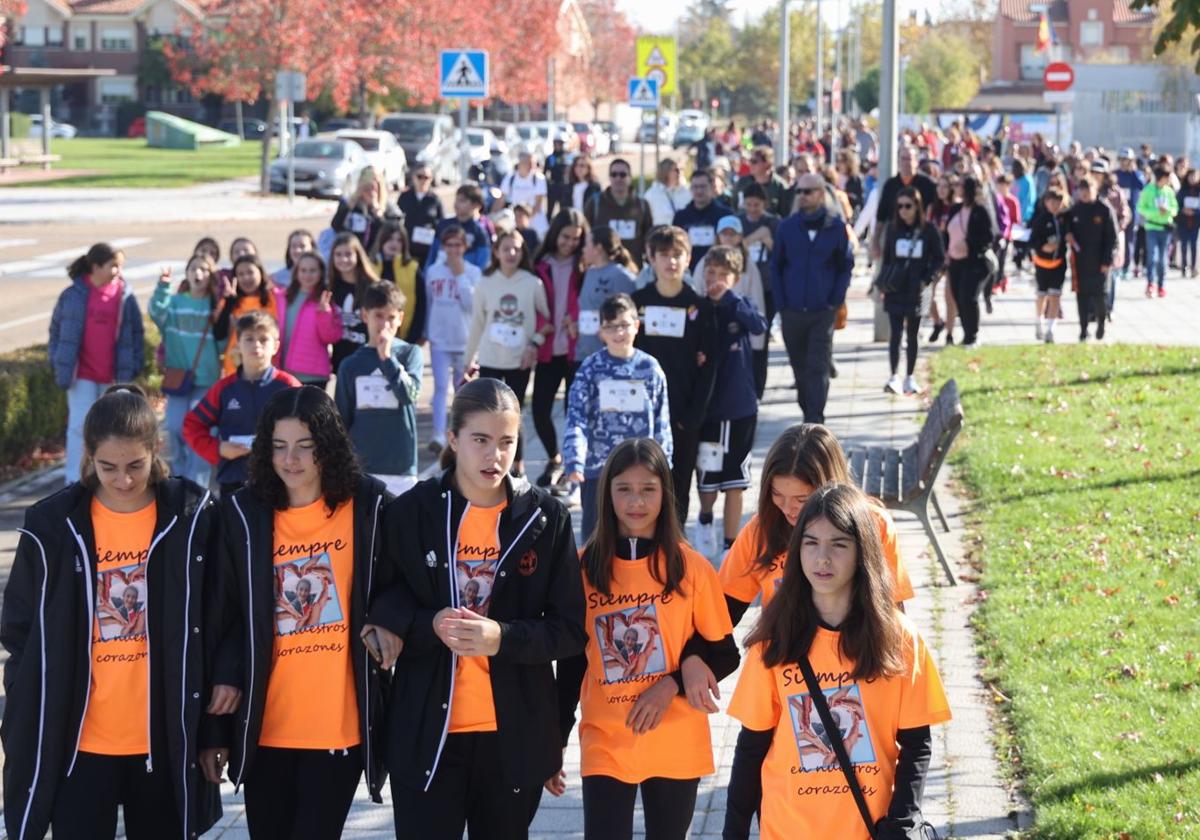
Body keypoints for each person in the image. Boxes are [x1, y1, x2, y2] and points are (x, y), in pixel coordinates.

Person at [365, 377, 587, 840]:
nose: (494, 456)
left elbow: (569, 632)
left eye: (506, 442)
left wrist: (502, 638)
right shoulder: (411, 513)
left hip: (511, 738)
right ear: (453, 439)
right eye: (480, 440)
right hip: (427, 734)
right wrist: (427, 623)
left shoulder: (546, 519)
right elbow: (382, 598)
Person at [1, 385, 224, 839]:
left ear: (156, 448)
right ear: (88, 456)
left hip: (164, 742)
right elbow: (20, 628)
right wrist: (29, 703)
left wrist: (213, 730)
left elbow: (220, 622)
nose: (123, 480)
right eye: (108, 468)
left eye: (135, 466)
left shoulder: (192, 516)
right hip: (78, 745)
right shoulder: (52, 525)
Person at [200, 386, 399, 838]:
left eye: (305, 448)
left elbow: (399, 586)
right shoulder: (242, 515)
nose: (291, 460)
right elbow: (223, 618)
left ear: (328, 446)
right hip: (265, 725)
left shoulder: (369, 505)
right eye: (279, 447)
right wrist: (215, 728)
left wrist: (386, 619)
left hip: (338, 725)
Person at [726, 483, 951, 840]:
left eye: (839, 544)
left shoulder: (902, 640)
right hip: (786, 829)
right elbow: (750, 748)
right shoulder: (772, 643)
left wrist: (902, 821)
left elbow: (917, 744)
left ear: (863, 552)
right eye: (811, 543)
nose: (822, 559)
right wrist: (733, 833)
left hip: (868, 829)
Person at [553, 438, 738, 840]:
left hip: (675, 739)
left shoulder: (691, 568)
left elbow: (725, 653)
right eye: (624, 489)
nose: (636, 501)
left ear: (665, 494)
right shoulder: (582, 568)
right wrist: (554, 743)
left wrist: (673, 681)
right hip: (606, 739)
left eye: (648, 489)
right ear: (607, 494)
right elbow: (571, 663)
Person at [562, 293, 672, 540]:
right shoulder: (590, 369)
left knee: (640, 532)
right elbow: (576, 417)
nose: (618, 332)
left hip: (640, 468)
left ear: (636, 325)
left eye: (623, 325)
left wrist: (664, 464)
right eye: (610, 327)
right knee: (595, 536)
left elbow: (661, 421)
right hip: (597, 469)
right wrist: (574, 460)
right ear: (601, 332)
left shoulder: (650, 369)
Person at [632, 226, 716, 527]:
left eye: (677, 255)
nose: (671, 262)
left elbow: (709, 367)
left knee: (678, 488)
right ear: (651, 259)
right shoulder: (637, 302)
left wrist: (694, 415)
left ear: (688, 258)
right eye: (664, 255)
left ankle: (676, 550)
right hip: (641, 414)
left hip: (683, 413)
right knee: (641, 483)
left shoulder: (700, 307)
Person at [691, 246, 766, 557]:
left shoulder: (740, 305)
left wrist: (732, 300)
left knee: (735, 480)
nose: (716, 280)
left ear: (735, 279)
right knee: (708, 478)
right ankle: (706, 519)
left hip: (740, 409)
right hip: (708, 411)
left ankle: (730, 545)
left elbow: (759, 325)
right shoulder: (696, 308)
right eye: (711, 273)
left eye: (723, 275)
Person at [50, 243, 143, 487]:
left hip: (113, 376)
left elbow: (136, 332)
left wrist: (133, 366)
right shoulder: (74, 295)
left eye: (120, 266)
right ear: (96, 266)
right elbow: (56, 330)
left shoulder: (124, 295)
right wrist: (58, 360)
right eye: (113, 266)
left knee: (110, 429)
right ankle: (74, 479)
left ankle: (103, 477)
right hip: (81, 374)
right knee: (79, 427)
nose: (118, 271)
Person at [185, 310, 300, 496]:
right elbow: (192, 425)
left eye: (263, 339)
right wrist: (218, 449)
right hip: (234, 479)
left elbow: (309, 427)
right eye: (249, 339)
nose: (256, 345)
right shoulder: (223, 389)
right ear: (237, 344)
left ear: (276, 346)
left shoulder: (289, 386)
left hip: (280, 479)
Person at [463, 230, 549, 474]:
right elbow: (477, 324)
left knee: (513, 414)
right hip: (490, 359)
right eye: (506, 249)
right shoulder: (485, 282)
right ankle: (485, 462)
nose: (511, 254)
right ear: (496, 252)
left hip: (518, 361)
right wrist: (468, 360)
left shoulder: (532, 282)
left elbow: (546, 319)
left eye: (517, 249)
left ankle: (517, 465)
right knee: (486, 414)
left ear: (523, 253)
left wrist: (535, 342)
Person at [770, 172, 853, 424]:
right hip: (793, 310)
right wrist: (781, 303)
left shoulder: (836, 227)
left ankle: (815, 419)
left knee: (817, 366)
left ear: (821, 193)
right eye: (799, 192)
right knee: (799, 367)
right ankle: (808, 410)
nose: (803, 197)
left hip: (822, 310)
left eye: (808, 191)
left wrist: (834, 299)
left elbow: (845, 266)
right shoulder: (787, 227)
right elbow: (777, 266)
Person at [335, 282, 423, 496]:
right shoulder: (350, 365)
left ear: (400, 318)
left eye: (391, 317)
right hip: (362, 467)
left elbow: (409, 395)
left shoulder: (410, 354)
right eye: (378, 316)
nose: (384, 324)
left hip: (400, 467)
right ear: (365, 315)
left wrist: (387, 359)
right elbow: (341, 421)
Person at [149, 254, 223, 486]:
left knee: (201, 432)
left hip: (206, 379)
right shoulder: (176, 303)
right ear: (187, 273)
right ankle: (180, 479)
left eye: (203, 270)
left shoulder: (214, 305)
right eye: (193, 269)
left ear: (211, 275)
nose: (198, 273)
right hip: (178, 379)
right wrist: (162, 287)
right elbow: (157, 312)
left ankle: (197, 485)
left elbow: (223, 340)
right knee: (174, 427)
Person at [531, 210, 587, 494]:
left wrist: (577, 322)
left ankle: (570, 465)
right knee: (540, 408)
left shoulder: (584, 264)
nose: (570, 243)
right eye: (565, 237)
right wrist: (543, 328)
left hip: (575, 350)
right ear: (555, 234)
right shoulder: (540, 264)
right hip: (548, 347)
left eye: (576, 239)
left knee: (571, 412)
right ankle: (554, 456)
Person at [878, 187, 944, 395]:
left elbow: (939, 258)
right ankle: (893, 375)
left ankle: (910, 376)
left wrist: (928, 278)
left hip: (918, 290)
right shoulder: (892, 229)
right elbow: (887, 259)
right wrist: (883, 284)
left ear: (917, 207)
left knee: (913, 334)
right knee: (895, 333)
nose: (903, 211)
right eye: (899, 207)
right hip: (896, 288)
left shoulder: (929, 230)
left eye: (908, 206)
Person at [694, 217, 769, 397]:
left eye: (732, 234)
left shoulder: (747, 265)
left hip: (735, 372)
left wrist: (757, 345)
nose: (717, 278)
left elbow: (757, 310)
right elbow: (696, 289)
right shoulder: (706, 260)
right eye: (712, 273)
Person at [426, 224, 481, 455]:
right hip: (440, 339)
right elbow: (430, 303)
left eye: (458, 245)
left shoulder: (473, 272)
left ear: (465, 247)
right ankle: (438, 433)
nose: (453, 249)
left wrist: (459, 275)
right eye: (449, 245)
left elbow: (472, 305)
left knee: (463, 389)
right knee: (440, 387)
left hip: (464, 340)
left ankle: (459, 432)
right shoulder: (433, 271)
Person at [278, 251, 343, 388]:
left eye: (313, 270)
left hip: (313, 374)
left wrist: (325, 314)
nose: (308, 275)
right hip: (284, 372)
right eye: (303, 270)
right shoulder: (283, 297)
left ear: (321, 273)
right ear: (296, 272)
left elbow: (331, 337)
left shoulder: (326, 299)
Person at [944, 176, 996, 346]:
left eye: (960, 185)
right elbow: (947, 233)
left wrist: (969, 243)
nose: (956, 188)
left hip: (975, 261)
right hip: (955, 261)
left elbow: (988, 236)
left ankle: (972, 336)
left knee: (969, 296)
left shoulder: (980, 211)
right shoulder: (956, 209)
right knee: (958, 297)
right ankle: (966, 334)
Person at [575, 225, 638, 362]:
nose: (583, 249)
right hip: (584, 354)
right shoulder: (589, 273)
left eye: (586, 244)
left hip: (608, 357)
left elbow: (628, 312)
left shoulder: (621, 276)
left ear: (598, 248)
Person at [1066, 175, 1117, 342]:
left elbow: (1112, 237)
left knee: (1100, 296)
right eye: (1082, 191)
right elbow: (1068, 227)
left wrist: (1107, 261)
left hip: (1099, 259)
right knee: (1081, 296)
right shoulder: (1076, 209)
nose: (1085, 194)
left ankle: (1101, 322)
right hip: (1081, 260)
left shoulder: (1104, 209)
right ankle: (1083, 329)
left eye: (1088, 191)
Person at [214, 253, 279, 377]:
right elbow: (219, 334)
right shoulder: (231, 301)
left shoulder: (273, 299)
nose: (246, 278)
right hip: (234, 368)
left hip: (266, 367)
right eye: (241, 274)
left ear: (260, 272)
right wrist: (228, 304)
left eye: (250, 272)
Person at [870, 146, 937, 261]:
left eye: (909, 159)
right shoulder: (891, 184)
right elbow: (881, 215)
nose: (906, 162)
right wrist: (875, 241)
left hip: (920, 237)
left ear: (916, 161)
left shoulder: (928, 184)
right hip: (896, 236)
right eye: (903, 159)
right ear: (898, 161)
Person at [327, 231, 382, 370]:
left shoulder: (373, 287)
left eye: (348, 254)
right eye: (338, 254)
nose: (343, 259)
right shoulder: (330, 287)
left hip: (368, 357)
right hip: (341, 359)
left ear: (358, 256)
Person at [584, 159, 654, 267]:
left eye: (623, 175)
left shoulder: (642, 205)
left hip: (634, 269)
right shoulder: (595, 203)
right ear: (609, 177)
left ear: (630, 177)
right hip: (602, 269)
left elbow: (648, 238)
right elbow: (586, 234)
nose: (618, 178)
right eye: (614, 174)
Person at [372, 219, 427, 343]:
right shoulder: (370, 266)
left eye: (399, 240)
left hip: (405, 336)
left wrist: (415, 334)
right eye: (390, 239)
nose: (394, 244)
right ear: (382, 240)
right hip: (373, 336)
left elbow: (421, 304)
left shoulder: (412, 268)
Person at [672, 169, 733, 271]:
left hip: (720, 270)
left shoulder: (725, 215)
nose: (699, 191)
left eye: (703, 187)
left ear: (711, 187)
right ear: (690, 189)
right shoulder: (680, 217)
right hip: (688, 271)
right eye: (695, 187)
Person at [1029, 189, 1068, 343]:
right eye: (1052, 202)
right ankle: (1038, 322)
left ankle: (1051, 329)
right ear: (1046, 203)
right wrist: (1043, 247)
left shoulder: (1064, 218)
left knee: (1055, 295)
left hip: (1059, 263)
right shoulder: (1040, 219)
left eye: (1058, 202)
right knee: (1041, 295)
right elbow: (1032, 240)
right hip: (1042, 264)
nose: (1055, 205)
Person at [427, 184, 493, 270]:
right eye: (456, 199)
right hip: (442, 277)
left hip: (467, 279)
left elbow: (483, 262)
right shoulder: (443, 225)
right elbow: (432, 254)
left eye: (462, 200)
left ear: (475, 205)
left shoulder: (479, 231)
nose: (456, 204)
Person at [332, 165, 397, 248]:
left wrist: (377, 213)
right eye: (366, 187)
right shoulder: (351, 204)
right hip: (352, 249)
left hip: (376, 252)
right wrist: (350, 205)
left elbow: (390, 232)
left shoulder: (387, 206)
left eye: (373, 187)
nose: (370, 190)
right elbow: (336, 226)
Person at [1137, 167, 1177, 297]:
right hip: (1151, 227)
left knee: (1162, 259)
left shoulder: (1169, 191)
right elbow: (1140, 207)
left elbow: (1175, 208)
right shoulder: (1148, 190)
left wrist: (1168, 211)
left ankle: (1161, 285)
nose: (1168, 181)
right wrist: (1155, 212)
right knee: (1152, 257)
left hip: (1165, 228)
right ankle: (1150, 283)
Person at [399, 164, 445, 265]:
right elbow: (398, 216)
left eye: (427, 177)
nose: (423, 180)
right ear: (413, 177)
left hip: (427, 246)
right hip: (408, 245)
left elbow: (441, 222)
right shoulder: (405, 196)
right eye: (420, 177)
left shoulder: (434, 199)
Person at [501, 150, 549, 234]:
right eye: (528, 163)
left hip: (535, 220)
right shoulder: (510, 178)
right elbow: (501, 200)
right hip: (515, 218)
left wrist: (525, 220)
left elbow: (538, 205)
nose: (531, 166)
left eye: (533, 163)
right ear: (520, 163)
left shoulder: (539, 179)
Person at [733, 145, 789, 216]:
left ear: (767, 163)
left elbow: (785, 213)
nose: (750, 164)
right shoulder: (742, 183)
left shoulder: (780, 186)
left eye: (754, 161)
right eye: (750, 161)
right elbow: (735, 206)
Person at [643, 158, 692, 227]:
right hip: (661, 234)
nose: (680, 173)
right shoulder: (651, 194)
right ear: (665, 172)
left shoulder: (689, 192)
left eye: (682, 169)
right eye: (676, 170)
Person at [1175, 167, 1200, 278]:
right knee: (1184, 245)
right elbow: (1176, 205)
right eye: (1191, 176)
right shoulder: (1182, 190)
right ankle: (1184, 266)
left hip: (1195, 223)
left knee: (1194, 246)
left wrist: (1194, 212)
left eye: (1195, 176)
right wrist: (1183, 210)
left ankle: (1194, 267)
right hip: (1183, 222)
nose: (1193, 178)